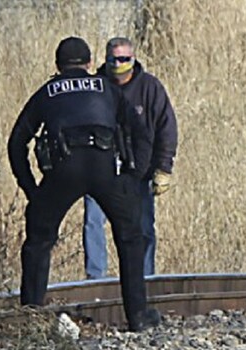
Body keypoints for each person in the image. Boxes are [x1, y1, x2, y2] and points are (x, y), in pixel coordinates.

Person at [7, 36, 162, 331]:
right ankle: (138, 316)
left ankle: (31, 318)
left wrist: (32, 191)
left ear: (57, 66)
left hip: (63, 171)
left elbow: (16, 143)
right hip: (105, 169)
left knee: (39, 242)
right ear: (91, 64)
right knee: (130, 238)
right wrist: (133, 177)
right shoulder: (107, 88)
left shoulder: (47, 92)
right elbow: (141, 133)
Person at [82, 37, 178, 279]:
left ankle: (144, 278)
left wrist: (163, 169)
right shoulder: (95, 86)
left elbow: (167, 128)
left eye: (124, 59)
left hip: (139, 170)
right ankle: (96, 278)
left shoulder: (150, 88)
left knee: (143, 227)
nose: (119, 64)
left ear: (133, 59)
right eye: (114, 59)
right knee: (93, 222)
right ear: (106, 59)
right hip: (99, 169)